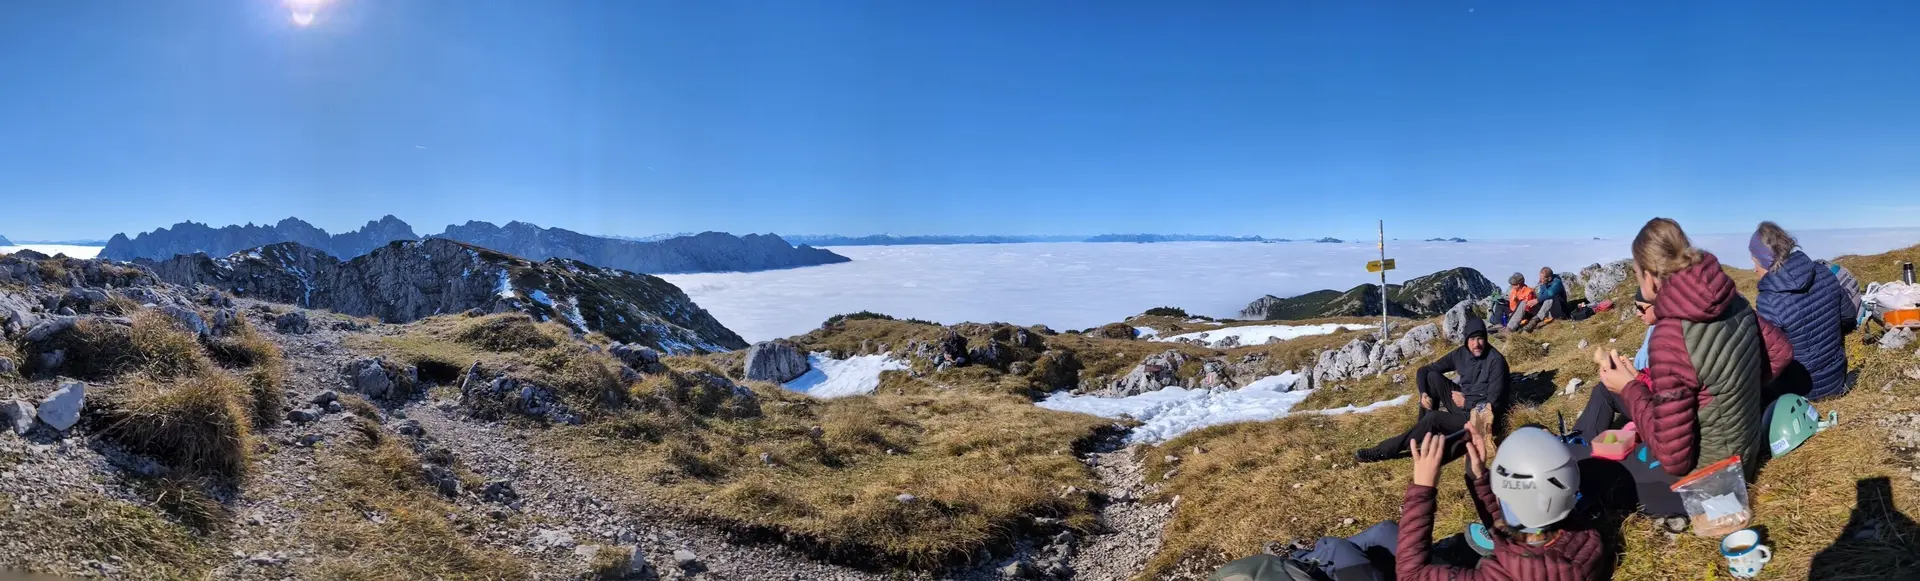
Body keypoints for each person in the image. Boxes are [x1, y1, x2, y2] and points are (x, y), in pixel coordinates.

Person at [1593, 217, 1791, 478]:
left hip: (1712, 478)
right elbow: (1781, 353)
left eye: (1637, 274)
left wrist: (1629, 388)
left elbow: (1674, 460)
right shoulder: (1731, 299)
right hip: (1748, 448)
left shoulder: (1669, 336)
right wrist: (1733, 394)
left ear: (1650, 278)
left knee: (1599, 468)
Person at [1395, 425, 1607, 580]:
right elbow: (1520, 528)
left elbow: (1410, 574)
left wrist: (1423, 488)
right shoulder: (1586, 540)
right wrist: (1479, 478)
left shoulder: (1499, 575)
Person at [1355, 316, 1507, 463]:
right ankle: (1422, 433)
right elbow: (1424, 370)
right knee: (1433, 376)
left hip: (1480, 418)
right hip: (1463, 403)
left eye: (1480, 338)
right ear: (1466, 340)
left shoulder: (1496, 361)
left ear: (1485, 339)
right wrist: (1423, 393)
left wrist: (1466, 403)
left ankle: (1382, 450)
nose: (1476, 344)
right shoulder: (1461, 354)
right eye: (1472, 339)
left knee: (1433, 418)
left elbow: (1494, 404)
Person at [1750, 221, 1853, 401]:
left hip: (1801, 390)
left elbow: (1770, 356)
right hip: (1837, 375)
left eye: (1755, 261)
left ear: (1765, 260)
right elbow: (1849, 316)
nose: (1754, 268)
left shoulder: (1769, 301)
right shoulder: (1824, 272)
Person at [1571, 287, 1657, 441]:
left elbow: (1667, 392)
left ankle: (1581, 443)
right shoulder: (1659, 329)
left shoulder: (1672, 339)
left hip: (1661, 416)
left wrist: (1632, 382)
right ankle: (1578, 439)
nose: (1638, 314)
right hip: (1653, 397)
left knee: (1605, 390)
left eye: (1641, 308)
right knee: (1604, 388)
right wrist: (1637, 374)